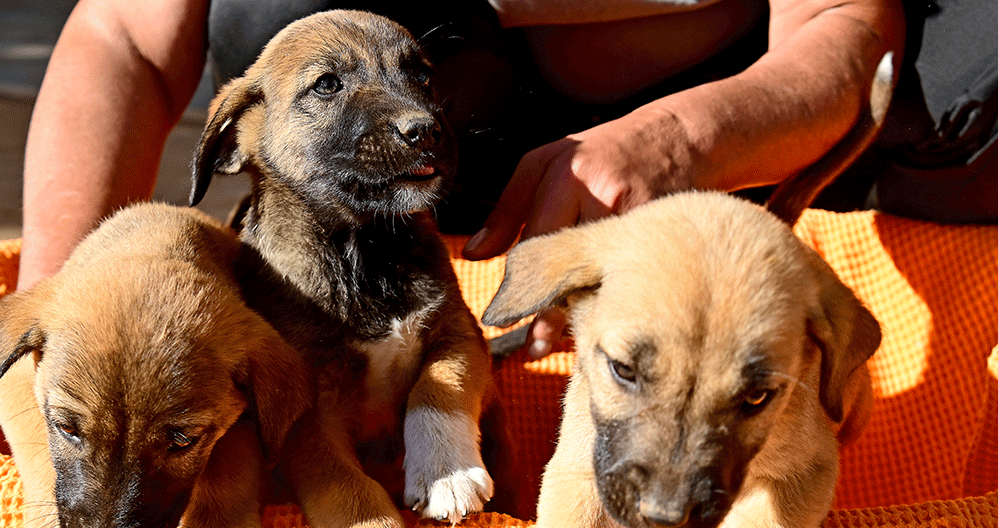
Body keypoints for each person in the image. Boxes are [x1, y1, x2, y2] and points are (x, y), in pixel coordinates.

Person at [19, 0, 915, 357]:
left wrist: (680, 142)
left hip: (713, 116)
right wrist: (56, 318)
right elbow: (123, 39)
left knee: (974, 79)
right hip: (413, 105)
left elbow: (843, 25)